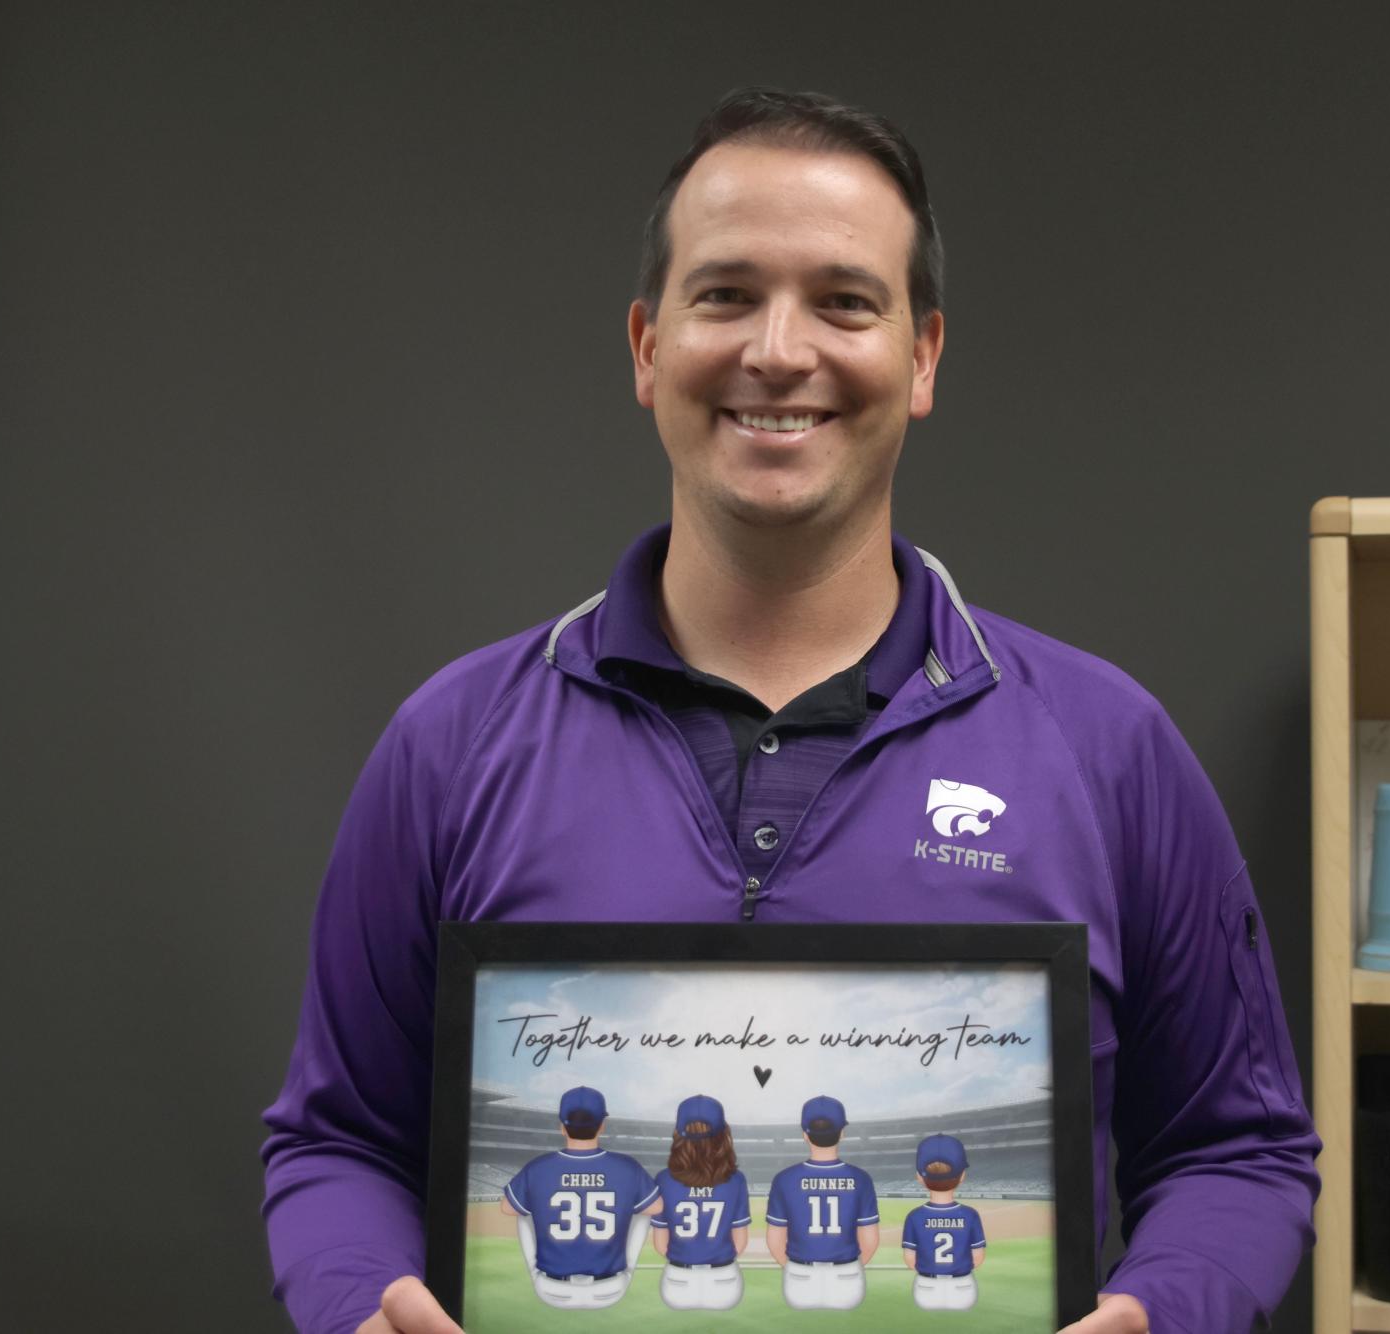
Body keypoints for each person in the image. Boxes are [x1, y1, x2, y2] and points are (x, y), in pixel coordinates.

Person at [260, 86, 1321, 1334]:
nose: (778, 348)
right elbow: (336, 1142)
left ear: (921, 355)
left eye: (843, 299)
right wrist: (356, 1297)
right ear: (648, 346)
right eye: (725, 294)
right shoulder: (453, 744)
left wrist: (1164, 1310)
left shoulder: (1107, 748)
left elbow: (1238, 1152)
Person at [495, 1086, 659, 1309]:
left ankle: (535, 1272)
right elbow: (657, 1207)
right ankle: (627, 1269)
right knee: (644, 1209)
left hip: (551, 1290)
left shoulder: (539, 1167)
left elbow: (507, 1208)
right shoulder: (627, 1166)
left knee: (523, 1211)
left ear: (562, 1126)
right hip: (610, 1289)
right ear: (602, 1125)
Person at [764, 1095, 880, 1310]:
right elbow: (870, 1240)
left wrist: (794, 1269)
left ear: (805, 1134)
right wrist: (849, 1268)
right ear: (842, 1133)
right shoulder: (860, 1178)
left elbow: (775, 1239)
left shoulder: (785, 1179)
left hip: (799, 1278)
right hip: (848, 1278)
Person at [647, 1094, 752, 1311]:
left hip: (677, 1282)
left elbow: (660, 1245)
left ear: (678, 1133)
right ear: (723, 1134)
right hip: (725, 1283)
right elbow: (739, 1244)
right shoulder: (736, 1180)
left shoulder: (664, 1180)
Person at [901, 1133, 987, 1312]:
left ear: (919, 1176)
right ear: (962, 1175)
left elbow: (910, 1261)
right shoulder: (970, 1215)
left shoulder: (914, 1216)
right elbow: (978, 1258)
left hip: (926, 1288)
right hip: (963, 1288)